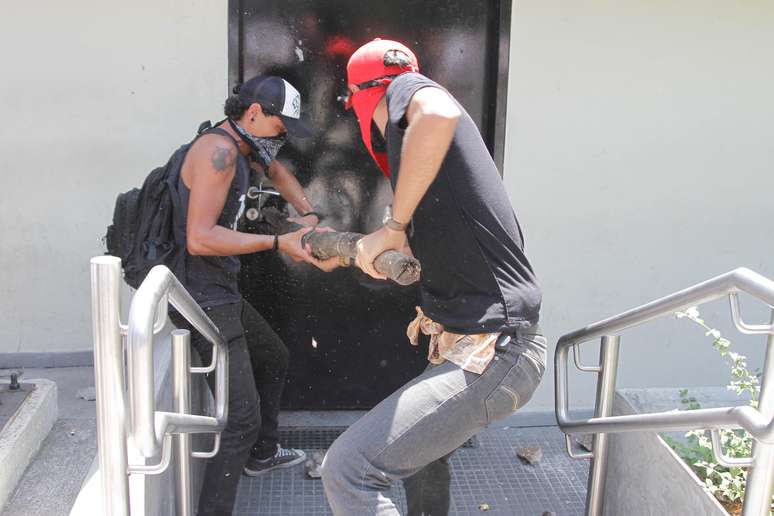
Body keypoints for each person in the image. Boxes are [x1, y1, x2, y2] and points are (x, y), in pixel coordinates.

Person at [319, 38, 547, 515]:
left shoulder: (407, 90)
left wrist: (393, 226)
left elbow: (437, 113)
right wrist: (366, 248)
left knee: (348, 469)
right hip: (473, 348)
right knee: (419, 460)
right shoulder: (432, 178)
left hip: (495, 353)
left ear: (367, 99)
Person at [167, 74, 328, 516]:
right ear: (254, 113)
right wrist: (279, 243)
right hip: (199, 293)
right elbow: (200, 238)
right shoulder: (218, 153)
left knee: (273, 356)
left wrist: (308, 217)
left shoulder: (243, 145)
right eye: (281, 126)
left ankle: (263, 454)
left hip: (218, 285)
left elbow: (277, 172)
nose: (283, 137)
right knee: (241, 418)